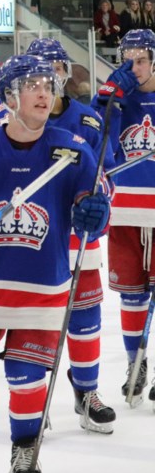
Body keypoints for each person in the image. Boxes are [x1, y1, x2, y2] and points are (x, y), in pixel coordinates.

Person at [0, 55, 110, 473]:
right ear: (8, 95)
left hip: (43, 286)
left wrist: (95, 210)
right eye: (32, 85)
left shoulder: (71, 148)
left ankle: (24, 452)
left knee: (27, 377)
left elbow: (94, 199)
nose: (44, 92)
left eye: (48, 84)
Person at [26, 38, 117, 433]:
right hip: (29, 241)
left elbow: (106, 175)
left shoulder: (88, 121)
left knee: (85, 317)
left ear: (64, 73)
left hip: (78, 241)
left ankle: (87, 391)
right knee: (34, 322)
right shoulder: (8, 118)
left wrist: (98, 202)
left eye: (56, 70)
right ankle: (34, 397)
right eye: (39, 74)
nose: (49, 81)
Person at [91, 28, 155, 405]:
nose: (134, 68)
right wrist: (107, 100)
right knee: (132, 297)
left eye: (142, 60)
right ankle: (136, 362)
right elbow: (100, 148)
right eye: (127, 60)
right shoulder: (118, 96)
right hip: (126, 212)